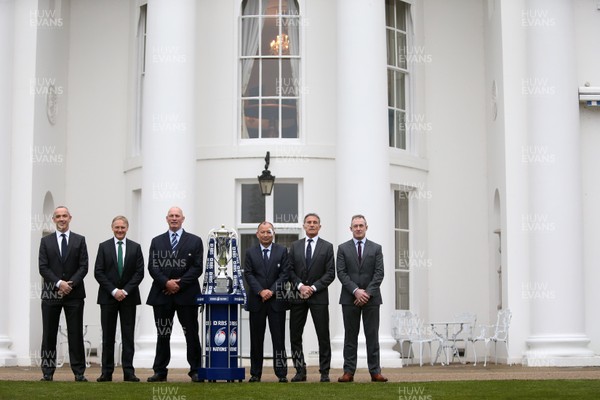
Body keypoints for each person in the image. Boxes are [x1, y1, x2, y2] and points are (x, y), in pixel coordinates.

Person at [146, 207, 203, 382]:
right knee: (163, 333)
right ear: (166, 219)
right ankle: (160, 371)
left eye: (177, 216)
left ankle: (195, 370)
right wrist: (166, 283)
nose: (174, 218)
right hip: (162, 294)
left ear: (183, 219)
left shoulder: (195, 241)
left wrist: (179, 284)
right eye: (171, 216)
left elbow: (197, 267)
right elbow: (153, 266)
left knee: (191, 333)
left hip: (187, 295)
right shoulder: (157, 241)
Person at [38, 206, 89, 382]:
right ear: (54, 219)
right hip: (51, 294)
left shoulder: (79, 240)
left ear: (70, 218)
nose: (61, 219)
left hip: (74, 295)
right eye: (58, 216)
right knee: (49, 333)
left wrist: (70, 284)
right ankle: (47, 371)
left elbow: (84, 266)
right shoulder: (46, 242)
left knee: (75, 333)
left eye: (64, 216)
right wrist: (59, 283)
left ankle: (79, 372)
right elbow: (43, 267)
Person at [336, 214, 388, 383]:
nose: (358, 228)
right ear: (350, 229)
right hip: (349, 299)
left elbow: (379, 273)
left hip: (372, 299)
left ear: (366, 227)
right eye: (355, 226)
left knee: (372, 336)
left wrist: (366, 293)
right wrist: (356, 291)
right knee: (350, 337)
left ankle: (375, 372)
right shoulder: (343, 248)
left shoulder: (376, 248)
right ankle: (348, 372)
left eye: (361, 225)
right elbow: (341, 273)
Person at [94, 216, 144, 382]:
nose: (120, 230)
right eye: (117, 227)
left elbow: (139, 273)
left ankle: (128, 372)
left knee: (127, 337)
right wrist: (114, 291)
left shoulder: (136, 248)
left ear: (127, 228)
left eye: (123, 227)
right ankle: (106, 372)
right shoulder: (103, 247)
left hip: (128, 299)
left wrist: (126, 291)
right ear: (112, 227)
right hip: (108, 298)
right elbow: (98, 272)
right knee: (108, 337)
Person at [288, 213, 335, 382]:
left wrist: (313, 288)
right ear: (304, 226)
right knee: (295, 335)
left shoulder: (327, 247)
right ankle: (300, 371)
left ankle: (325, 372)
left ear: (320, 226)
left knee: (323, 335)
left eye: (315, 222)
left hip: (319, 297)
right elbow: (289, 270)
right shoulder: (294, 246)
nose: (312, 225)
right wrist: (300, 286)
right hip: (298, 296)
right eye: (309, 222)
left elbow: (330, 273)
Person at [243, 221, 289, 383]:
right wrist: (261, 291)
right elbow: (248, 274)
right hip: (257, 301)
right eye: (262, 232)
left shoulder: (282, 251)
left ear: (273, 233)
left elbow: (285, 274)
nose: (265, 235)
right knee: (256, 340)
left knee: (279, 339)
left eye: (268, 232)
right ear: (257, 234)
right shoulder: (250, 252)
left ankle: (282, 373)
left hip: (276, 302)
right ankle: (255, 374)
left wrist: (272, 290)